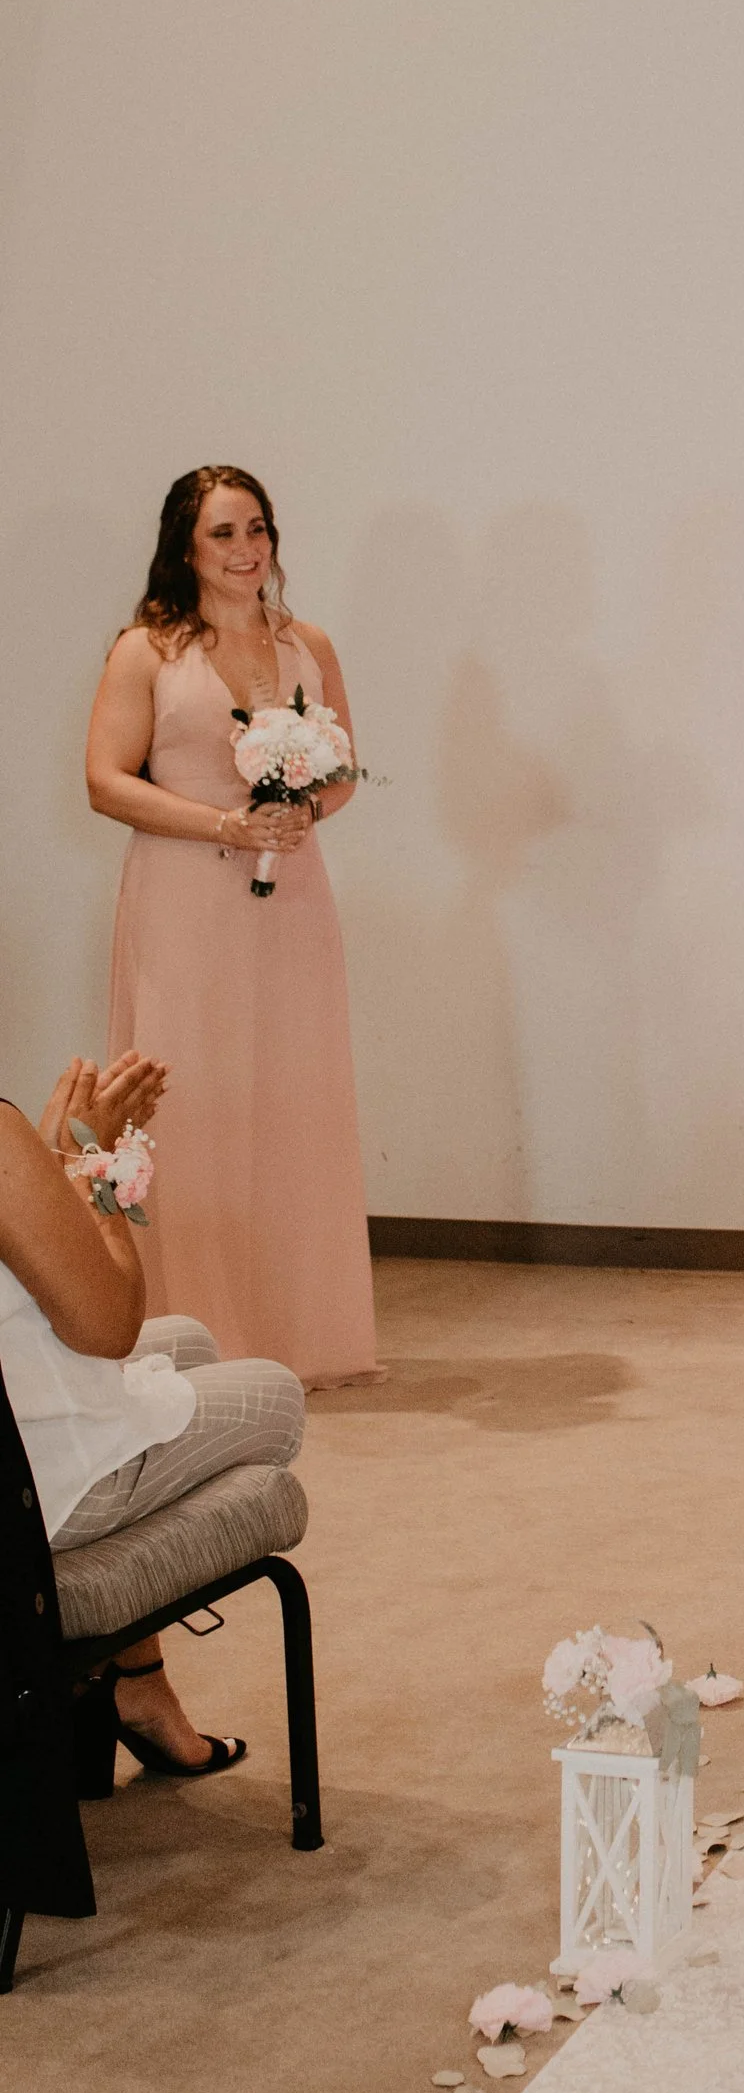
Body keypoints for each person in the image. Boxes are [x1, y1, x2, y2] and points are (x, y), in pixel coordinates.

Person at [87, 469, 375, 1388]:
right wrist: (224, 824)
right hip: (183, 898)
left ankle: (301, 1330)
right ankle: (196, 1334)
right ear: (185, 546)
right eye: (223, 533)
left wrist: (302, 812)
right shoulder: (147, 652)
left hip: (289, 897)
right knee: (195, 1102)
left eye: (258, 528)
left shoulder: (309, 645)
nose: (247, 548)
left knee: (292, 1096)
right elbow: (104, 779)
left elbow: (342, 771)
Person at [0, 1050, 305, 1777]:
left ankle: (135, 1682)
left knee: (191, 1343)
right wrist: (91, 1168)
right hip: (36, 1493)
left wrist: (51, 1159)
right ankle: (130, 1682)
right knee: (276, 1396)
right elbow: (109, 1325)